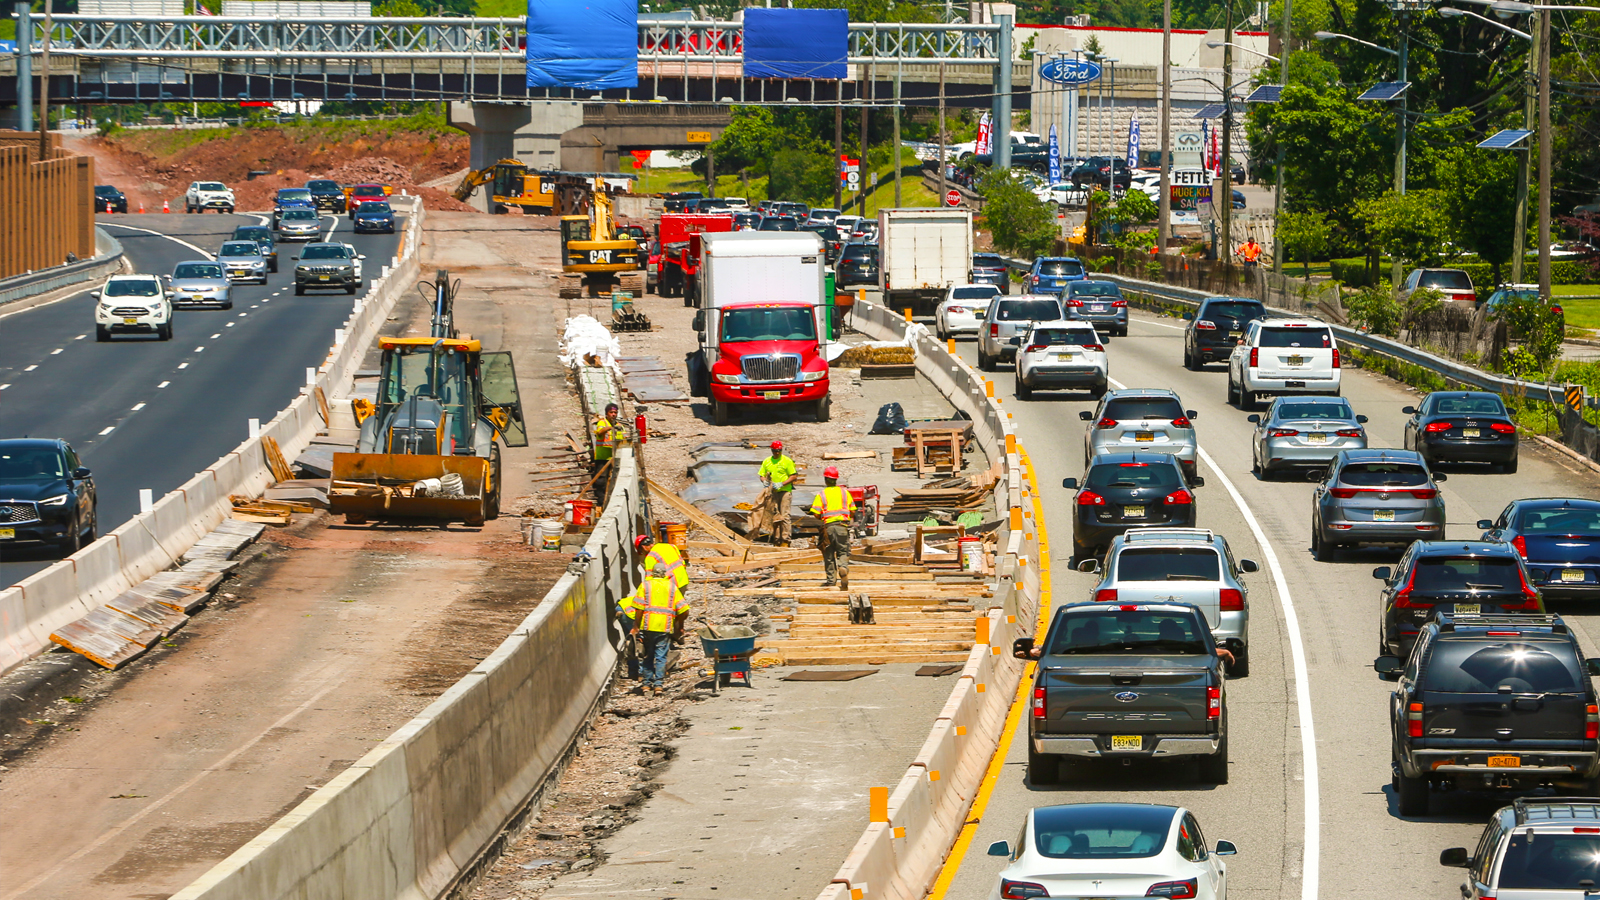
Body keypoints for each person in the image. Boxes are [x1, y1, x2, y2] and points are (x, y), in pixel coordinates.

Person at [617, 563, 689, 696]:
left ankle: (646, 684)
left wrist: (635, 626)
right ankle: (658, 685)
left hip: (647, 626)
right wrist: (679, 624)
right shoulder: (672, 587)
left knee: (647, 655)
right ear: (665, 574)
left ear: (652, 573)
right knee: (661, 656)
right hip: (664, 627)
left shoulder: (645, 585)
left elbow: (639, 608)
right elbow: (684, 610)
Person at [808, 466, 857, 587]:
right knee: (843, 551)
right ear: (836, 480)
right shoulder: (845, 493)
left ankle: (831, 580)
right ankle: (843, 567)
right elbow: (853, 511)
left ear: (825, 479)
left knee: (828, 553)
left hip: (828, 528)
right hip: (842, 526)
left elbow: (816, 513)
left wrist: (824, 517)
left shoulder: (822, 495)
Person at [758, 440, 798, 544]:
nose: (777, 453)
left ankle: (785, 539)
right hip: (773, 492)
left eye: (779, 451)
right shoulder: (767, 461)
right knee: (774, 515)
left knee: (784, 516)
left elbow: (793, 476)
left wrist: (782, 483)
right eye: (775, 451)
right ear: (772, 450)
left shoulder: (787, 461)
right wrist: (765, 481)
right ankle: (776, 539)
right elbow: (761, 475)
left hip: (784, 491)